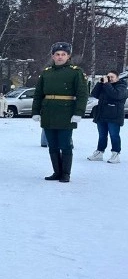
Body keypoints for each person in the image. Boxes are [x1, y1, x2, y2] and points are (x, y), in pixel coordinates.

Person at [31, 42, 88, 183]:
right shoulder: (46, 72)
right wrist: (35, 111)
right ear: (53, 56)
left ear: (68, 56)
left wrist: (78, 112)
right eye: (57, 54)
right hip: (49, 112)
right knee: (53, 145)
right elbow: (38, 94)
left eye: (63, 54)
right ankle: (57, 172)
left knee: (65, 145)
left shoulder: (76, 72)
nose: (60, 57)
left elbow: (82, 94)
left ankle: (65, 173)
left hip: (66, 113)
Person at [87, 70, 127, 164]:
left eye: (112, 77)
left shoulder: (122, 87)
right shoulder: (105, 85)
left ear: (117, 78)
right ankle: (99, 152)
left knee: (114, 135)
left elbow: (115, 95)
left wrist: (106, 84)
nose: (110, 79)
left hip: (114, 115)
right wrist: (100, 84)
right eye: (108, 77)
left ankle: (115, 153)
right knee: (102, 135)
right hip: (102, 114)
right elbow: (94, 94)